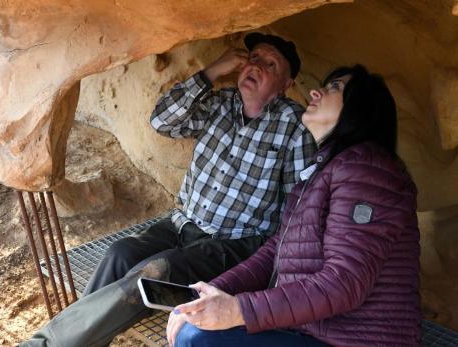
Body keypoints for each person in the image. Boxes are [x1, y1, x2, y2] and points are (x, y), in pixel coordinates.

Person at [20, 32, 315, 347]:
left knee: (158, 272)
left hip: (234, 244)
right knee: (120, 253)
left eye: (270, 64)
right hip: (182, 223)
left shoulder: (295, 127)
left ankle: (44, 345)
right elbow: (162, 121)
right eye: (253, 57)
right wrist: (211, 71)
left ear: (286, 85)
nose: (256, 66)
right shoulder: (221, 102)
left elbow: (299, 208)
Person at [167, 65, 421, 347]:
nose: (316, 91)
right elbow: (276, 251)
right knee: (198, 326)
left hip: (349, 341)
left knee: (198, 337)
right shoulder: (326, 169)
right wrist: (216, 290)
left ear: (360, 109)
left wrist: (237, 310)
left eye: (334, 88)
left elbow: (344, 283)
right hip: (311, 331)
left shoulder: (367, 172)